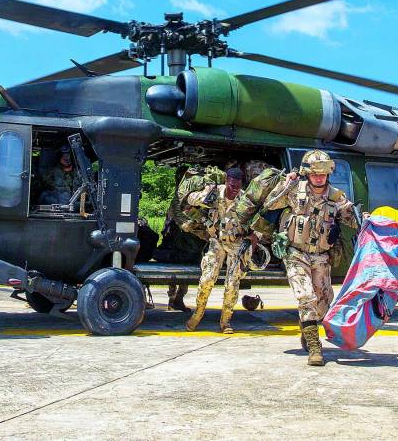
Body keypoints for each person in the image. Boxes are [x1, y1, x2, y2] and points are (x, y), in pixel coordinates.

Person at [261, 149, 359, 366]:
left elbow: (352, 217)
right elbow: (270, 204)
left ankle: (306, 330)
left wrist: (366, 219)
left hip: (321, 257)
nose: (319, 177)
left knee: (323, 303)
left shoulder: (336, 197)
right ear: (307, 172)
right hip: (296, 254)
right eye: (314, 173)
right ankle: (315, 349)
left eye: (323, 173)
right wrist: (285, 183)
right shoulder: (294, 190)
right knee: (306, 297)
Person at [185, 166, 252, 334]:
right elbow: (189, 201)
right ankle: (198, 314)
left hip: (236, 244)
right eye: (231, 185)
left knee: (232, 284)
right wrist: (205, 195)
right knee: (207, 279)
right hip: (217, 242)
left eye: (237, 186)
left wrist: (253, 239)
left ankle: (226, 322)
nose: (234, 189)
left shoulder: (245, 199)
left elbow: (258, 222)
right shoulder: (215, 193)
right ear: (226, 181)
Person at [136, 216, 190, 312]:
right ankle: (174, 300)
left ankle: (176, 301)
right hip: (171, 251)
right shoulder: (176, 218)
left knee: (184, 272)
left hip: (178, 249)